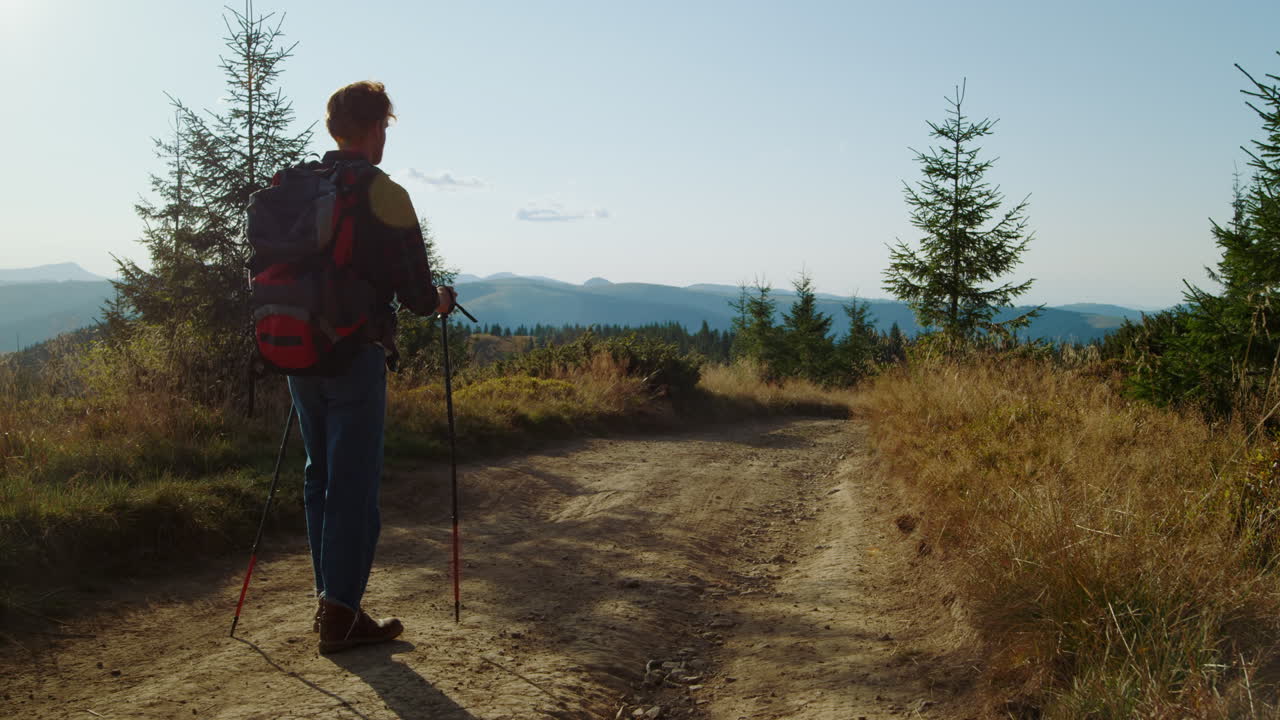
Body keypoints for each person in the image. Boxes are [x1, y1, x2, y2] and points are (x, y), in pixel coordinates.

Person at [288, 80, 456, 654]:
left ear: (336, 128)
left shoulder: (300, 187)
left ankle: (331, 601)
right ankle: (341, 613)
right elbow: (412, 293)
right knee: (354, 484)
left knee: (320, 477)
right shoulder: (384, 193)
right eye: (385, 124)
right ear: (376, 126)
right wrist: (438, 299)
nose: (386, 133)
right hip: (354, 352)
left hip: (296, 351)